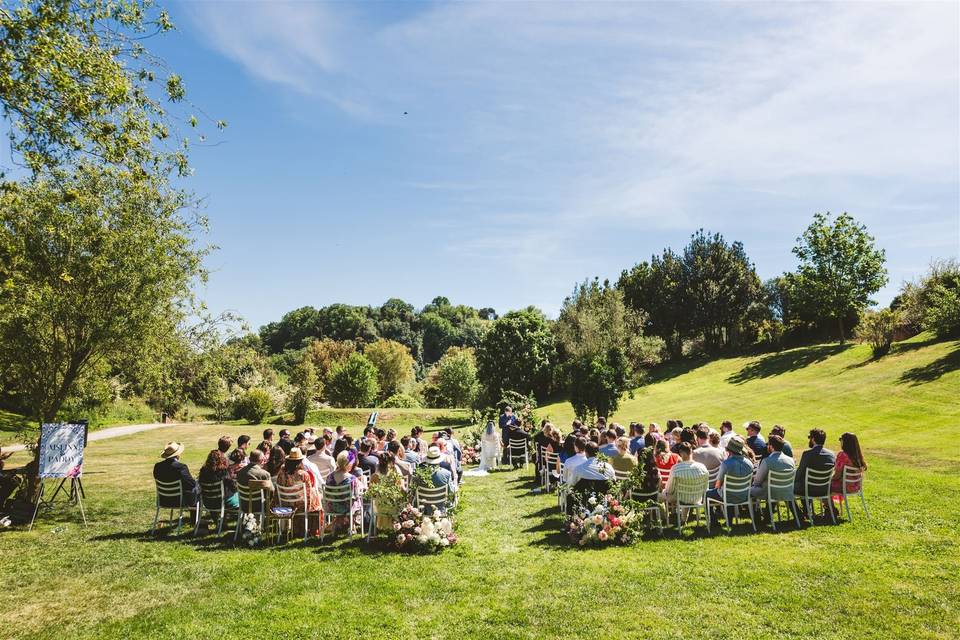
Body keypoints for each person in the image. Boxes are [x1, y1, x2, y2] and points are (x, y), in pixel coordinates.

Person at [706, 436, 755, 513]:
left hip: (728, 496)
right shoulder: (749, 463)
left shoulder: (726, 464)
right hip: (744, 495)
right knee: (726, 491)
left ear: (729, 451)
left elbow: (718, 485)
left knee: (707, 494)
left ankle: (713, 520)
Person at [153, 442, 199, 508]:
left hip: (163, 500)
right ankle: (194, 518)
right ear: (177, 455)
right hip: (179, 501)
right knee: (197, 490)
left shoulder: (157, 466)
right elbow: (191, 484)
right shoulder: (181, 467)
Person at [794, 428, 836, 497]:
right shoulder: (831, 454)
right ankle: (806, 506)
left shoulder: (807, 454)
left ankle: (797, 507)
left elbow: (799, 474)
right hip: (825, 490)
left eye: (809, 438)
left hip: (808, 490)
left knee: (788, 486)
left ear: (813, 439)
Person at [324, 451, 360, 531]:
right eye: (351, 462)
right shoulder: (352, 479)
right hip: (346, 508)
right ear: (347, 464)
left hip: (332, 507)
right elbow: (356, 495)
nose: (352, 464)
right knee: (358, 501)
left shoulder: (330, 477)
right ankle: (352, 524)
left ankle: (338, 523)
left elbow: (327, 494)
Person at [751, 435, 795, 500]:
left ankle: (753, 509)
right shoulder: (791, 460)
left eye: (768, 445)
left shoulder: (766, 461)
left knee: (748, 490)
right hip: (786, 491)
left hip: (769, 493)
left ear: (771, 446)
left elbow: (757, 482)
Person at [276, 448, 320, 512]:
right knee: (315, 493)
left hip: (284, 503)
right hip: (300, 506)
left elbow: (277, 488)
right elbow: (308, 493)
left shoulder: (281, 473)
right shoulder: (303, 474)